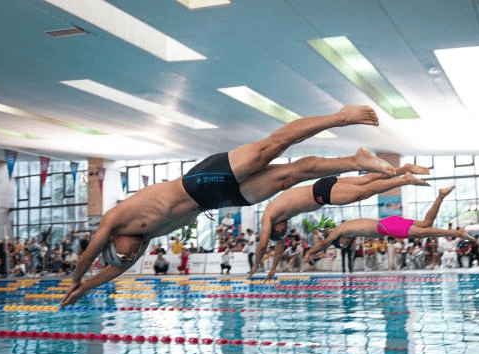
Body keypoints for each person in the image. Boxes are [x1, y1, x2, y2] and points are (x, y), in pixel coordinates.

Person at [61, 105, 395, 306]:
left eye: (123, 254)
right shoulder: (141, 242)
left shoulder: (115, 218)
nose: (129, 256)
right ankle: (355, 160)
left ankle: (340, 116)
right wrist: (85, 288)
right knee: (292, 176)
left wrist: (76, 278)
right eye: (127, 258)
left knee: (273, 146)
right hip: (220, 200)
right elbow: (112, 270)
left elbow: (90, 254)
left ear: (113, 244)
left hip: (200, 180)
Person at [248, 169, 429, 279]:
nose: (286, 229)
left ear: (272, 228)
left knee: (364, 192)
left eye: (281, 230)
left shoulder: (269, 215)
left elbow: (264, 244)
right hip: (322, 186)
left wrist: (255, 266)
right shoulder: (280, 214)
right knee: (366, 180)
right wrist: (272, 269)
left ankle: (404, 179)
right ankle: (403, 169)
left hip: (322, 194)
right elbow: (278, 246)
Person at [304, 186, 474, 262]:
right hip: (388, 223)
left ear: (339, 241)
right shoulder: (347, 230)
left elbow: (325, 242)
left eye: (343, 245)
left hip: (386, 227)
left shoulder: (339, 232)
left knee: (424, 232)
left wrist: (310, 252)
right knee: (426, 223)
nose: (347, 243)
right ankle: (441, 196)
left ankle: (458, 234)